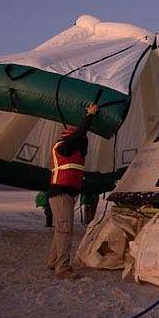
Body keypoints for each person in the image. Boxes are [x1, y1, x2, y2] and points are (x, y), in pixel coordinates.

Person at [46, 102, 98, 279]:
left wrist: (87, 126)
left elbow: (82, 142)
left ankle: (54, 261)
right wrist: (89, 117)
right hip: (60, 193)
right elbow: (78, 138)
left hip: (68, 193)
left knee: (61, 229)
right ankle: (62, 268)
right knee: (65, 230)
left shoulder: (76, 149)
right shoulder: (62, 146)